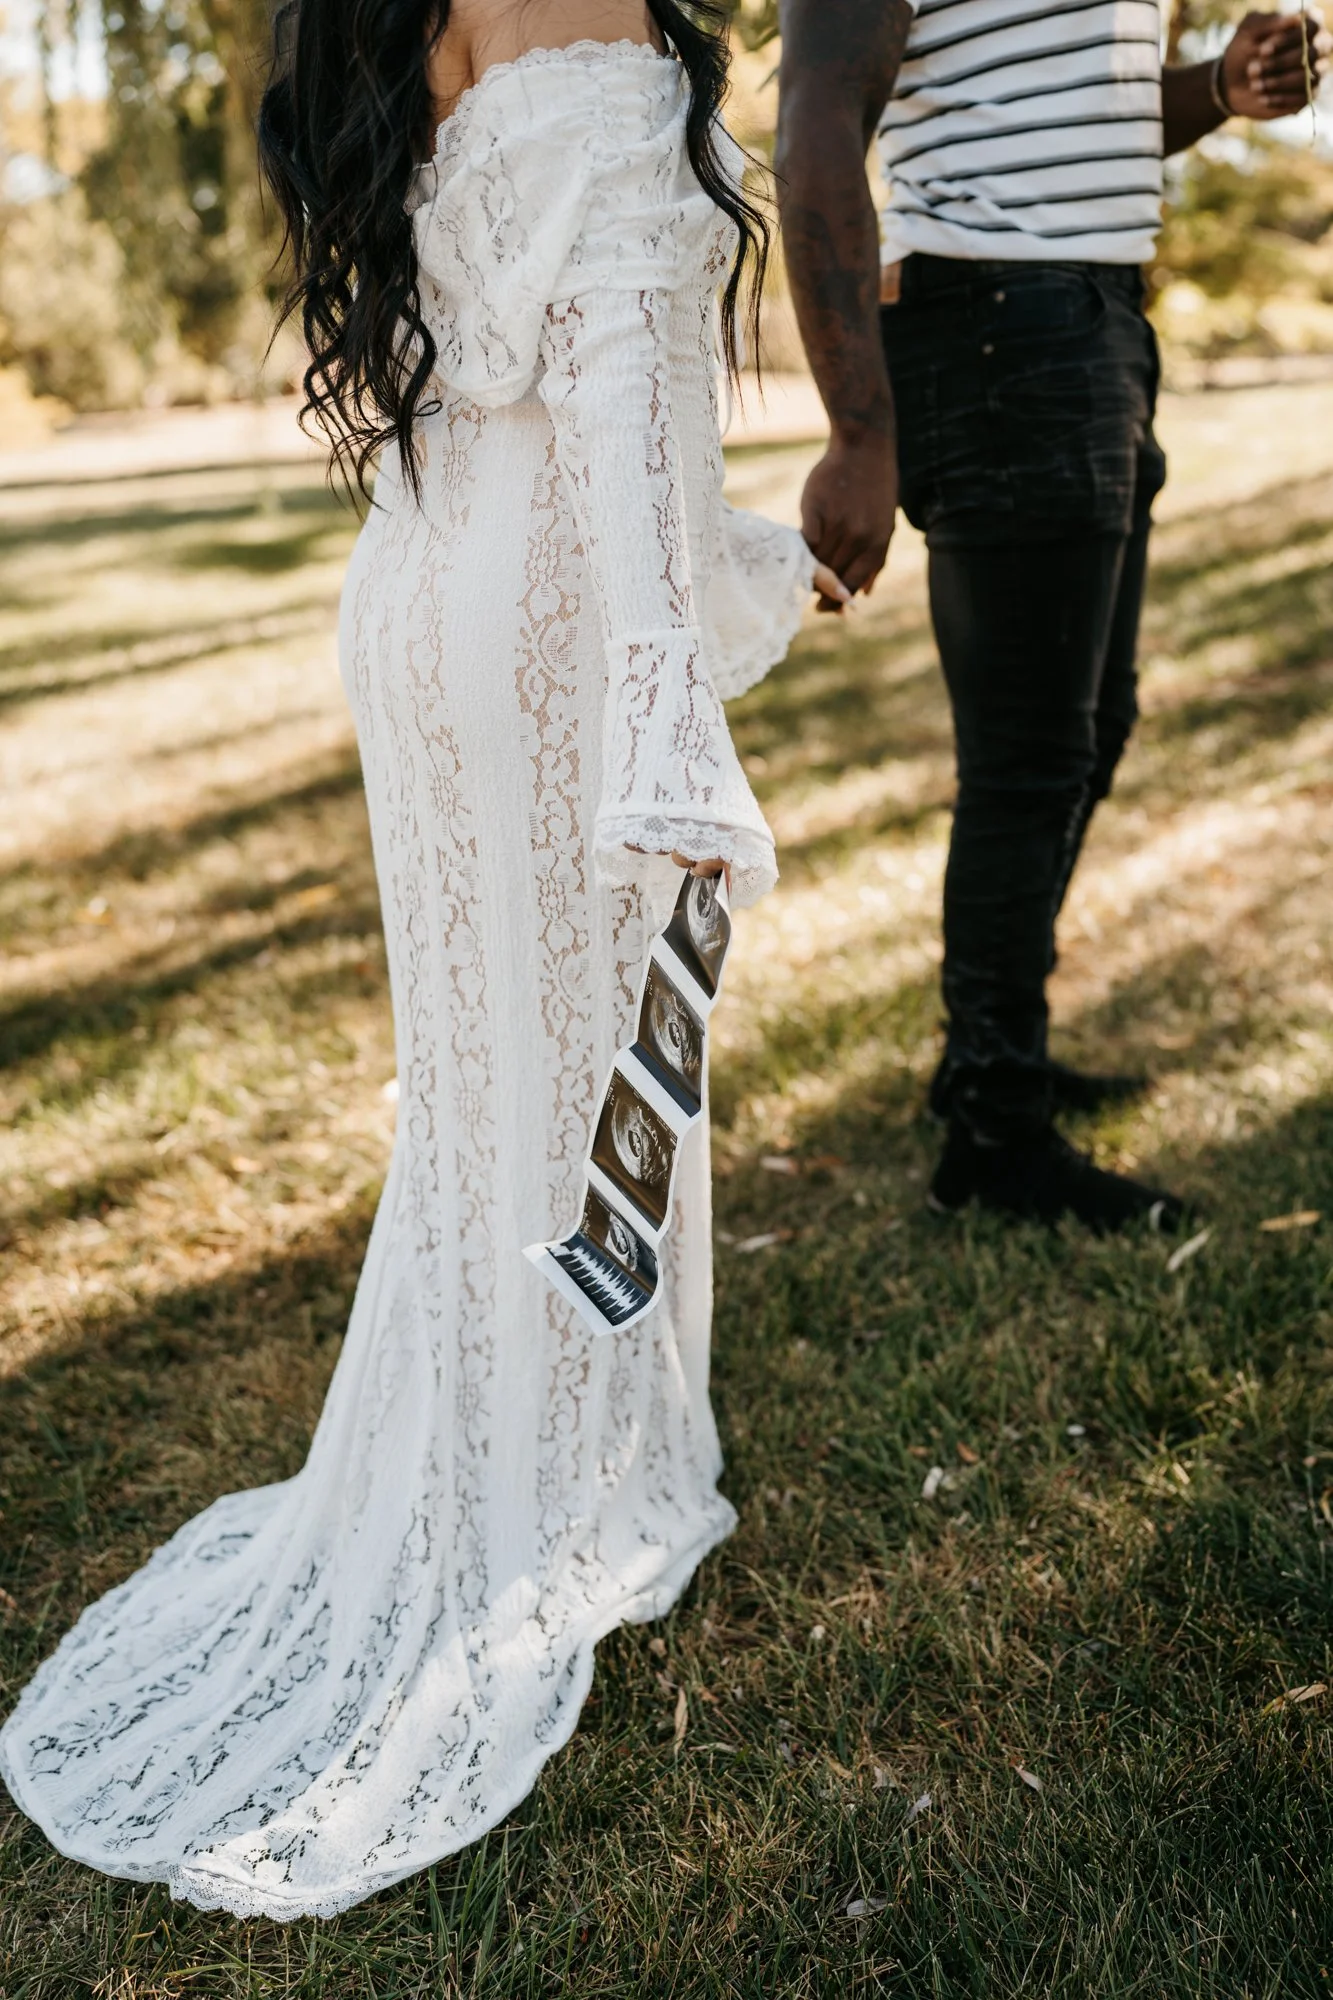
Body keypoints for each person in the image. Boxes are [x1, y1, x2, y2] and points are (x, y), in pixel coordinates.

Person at [0, 0, 846, 1921]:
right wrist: (668, 725)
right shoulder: (598, 17)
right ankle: (552, 1494)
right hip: (546, 631)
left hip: (424, 590)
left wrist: (735, 576)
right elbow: (626, 388)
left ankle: (504, 1445)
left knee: (487, 1081)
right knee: (563, 1075)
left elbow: (503, 373)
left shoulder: (419, 15)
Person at [776, 0, 1328, 1231]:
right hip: (991, 336)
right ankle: (994, 1139)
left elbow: (1093, 120)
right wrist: (857, 430)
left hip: (1090, 328)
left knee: (1090, 727)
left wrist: (1217, 89)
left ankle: (987, 1057)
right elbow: (815, 124)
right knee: (1027, 763)